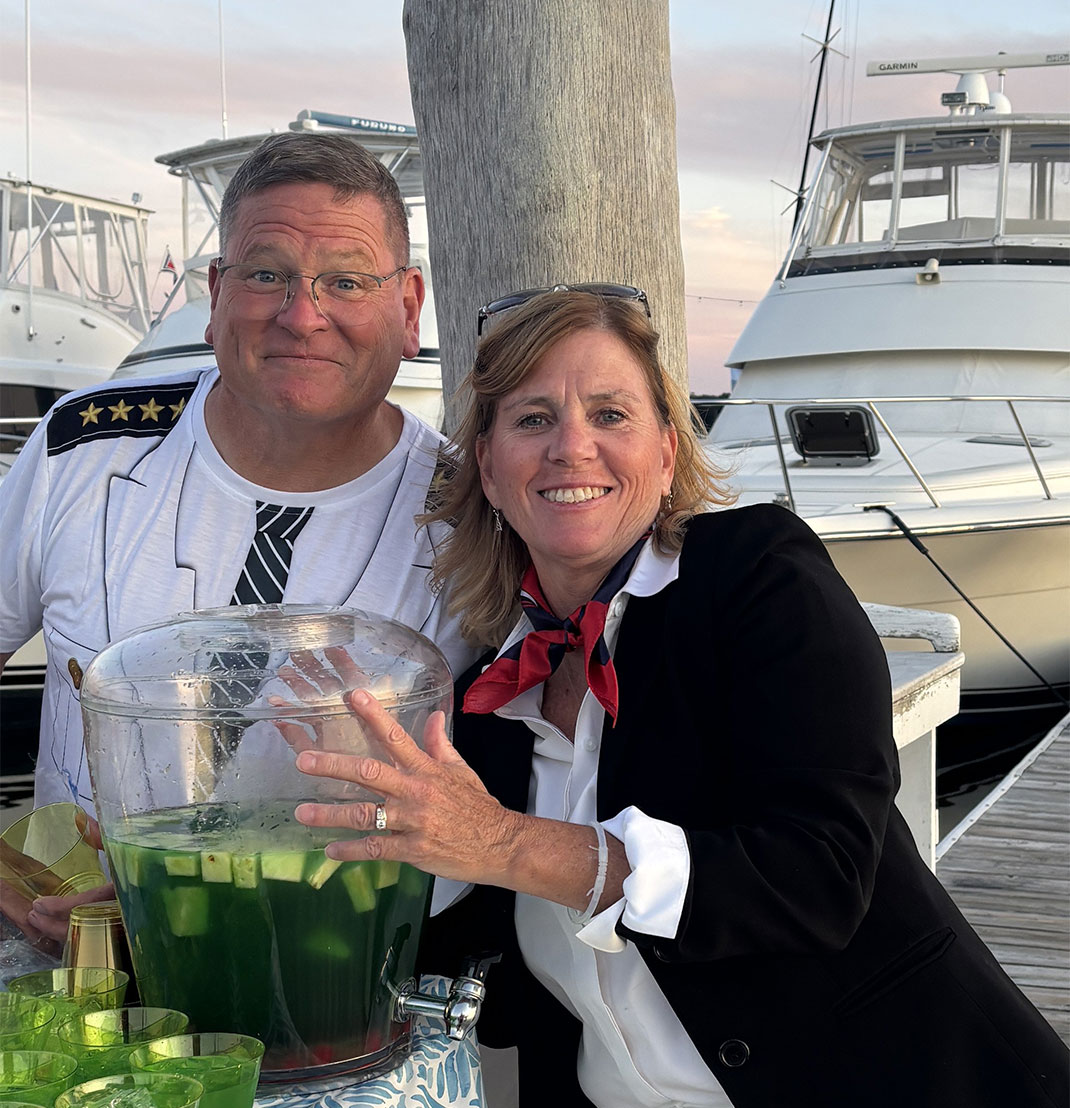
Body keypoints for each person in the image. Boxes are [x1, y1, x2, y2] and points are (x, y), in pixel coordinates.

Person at [292, 288, 1069, 1108]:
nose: (570, 448)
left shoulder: (756, 578)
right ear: (487, 467)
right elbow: (484, 973)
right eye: (531, 420)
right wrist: (385, 812)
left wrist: (503, 842)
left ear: (666, 455)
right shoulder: (490, 695)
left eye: (610, 415)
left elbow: (821, 874)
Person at [0, 131, 477, 943]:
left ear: (408, 310)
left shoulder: (470, 517)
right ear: (218, 292)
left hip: (337, 981)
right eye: (267, 274)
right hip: (76, 991)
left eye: (346, 280)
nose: (302, 315)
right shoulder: (84, 449)